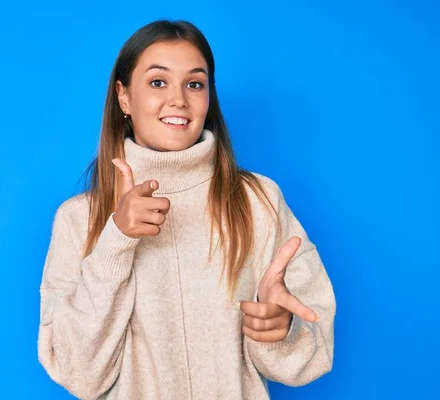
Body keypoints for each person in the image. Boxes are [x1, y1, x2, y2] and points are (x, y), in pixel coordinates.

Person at [37, 19, 336, 400]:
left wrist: (281, 328)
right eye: (158, 82)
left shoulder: (259, 200)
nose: (178, 99)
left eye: (195, 83)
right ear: (123, 97)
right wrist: (116, 241)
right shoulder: (79, 219)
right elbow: (79, 374)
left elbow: (312, 353)